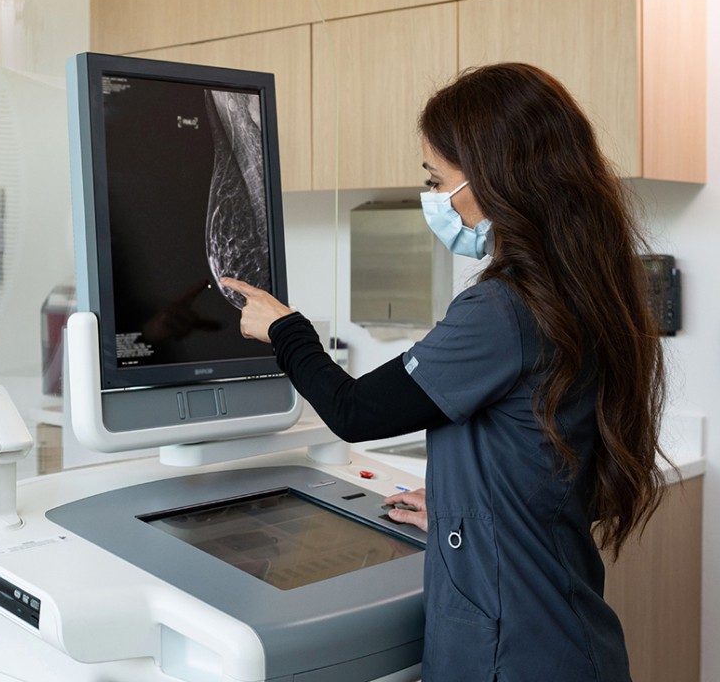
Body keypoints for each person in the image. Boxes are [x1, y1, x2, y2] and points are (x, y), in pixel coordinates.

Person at [221, 63, 668, 682]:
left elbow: (356, 412)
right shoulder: (584, 288)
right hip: (569, 639)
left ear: (494, 178)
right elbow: (552, 460)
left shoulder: (504, 309)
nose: (432, 197)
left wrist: (284, 329)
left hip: (515, 655)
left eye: (438, 179)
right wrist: (467, 509)